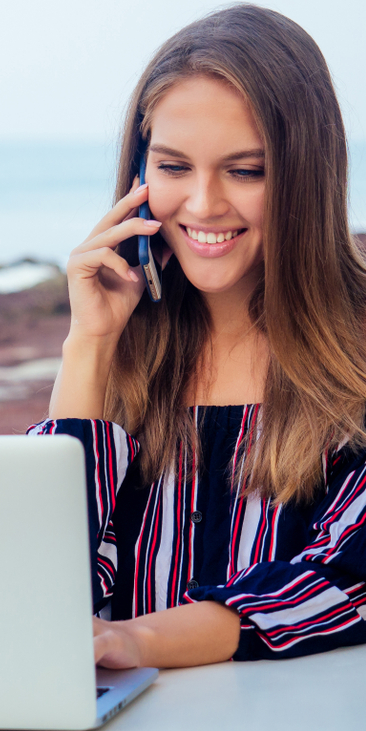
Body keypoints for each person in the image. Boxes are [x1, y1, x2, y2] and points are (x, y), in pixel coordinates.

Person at [28, 3, 366, 669]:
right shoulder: (119, 352)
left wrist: (136, 639)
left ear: (307, 175)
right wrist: (89, 346)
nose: (204, 203)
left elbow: (347, 579)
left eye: (246, 170)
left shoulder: (352, 356)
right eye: (174, 167)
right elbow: (49, 582)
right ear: (139, 173)